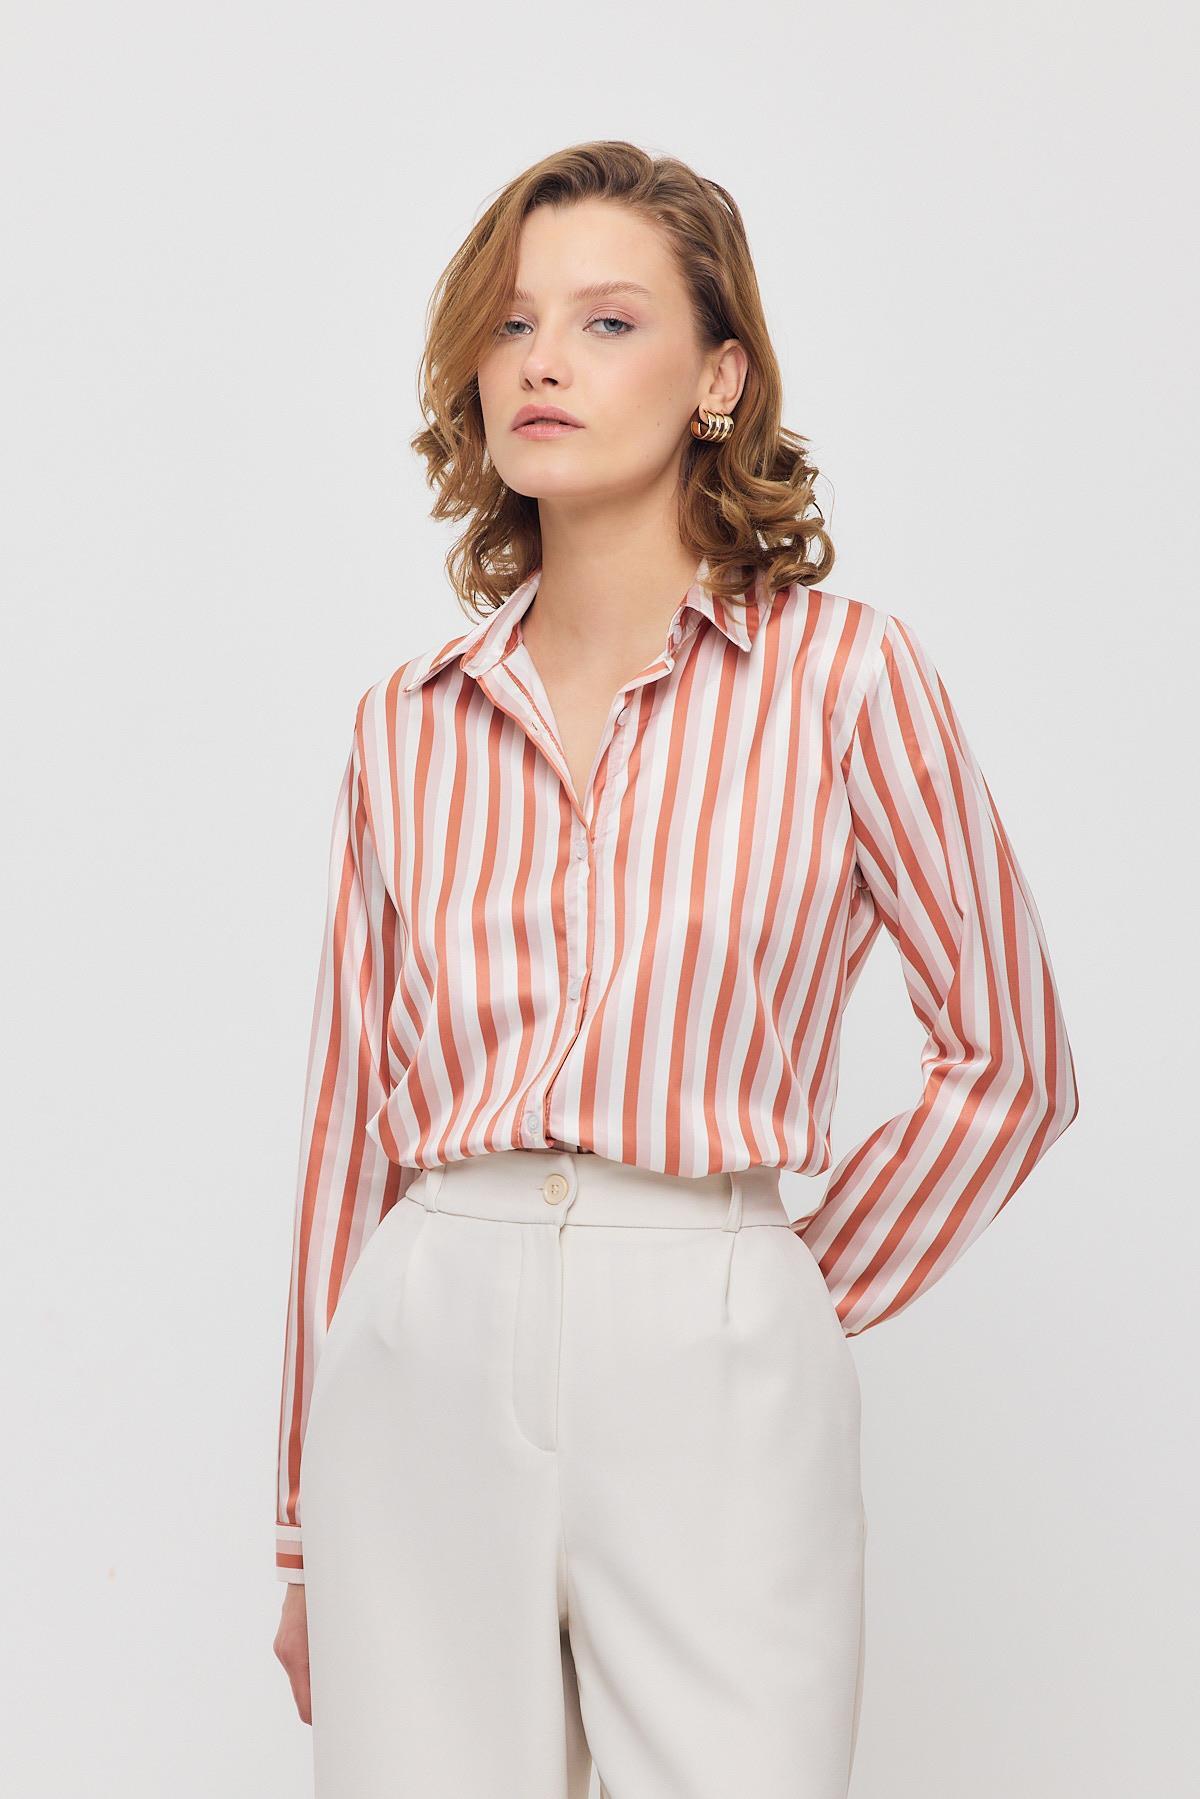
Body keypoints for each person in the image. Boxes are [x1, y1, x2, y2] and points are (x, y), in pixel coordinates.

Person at [271, 140, 1079, 1798]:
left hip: (714, 1346)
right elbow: (349, 1128)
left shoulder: (847, 678)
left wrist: (786, 1291)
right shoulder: (405, 723)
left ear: (721, 377)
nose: (542, 362)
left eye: (608, 321)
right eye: (510, 325)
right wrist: (297, 1532)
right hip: (425, 1351)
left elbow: (1011, 1057)